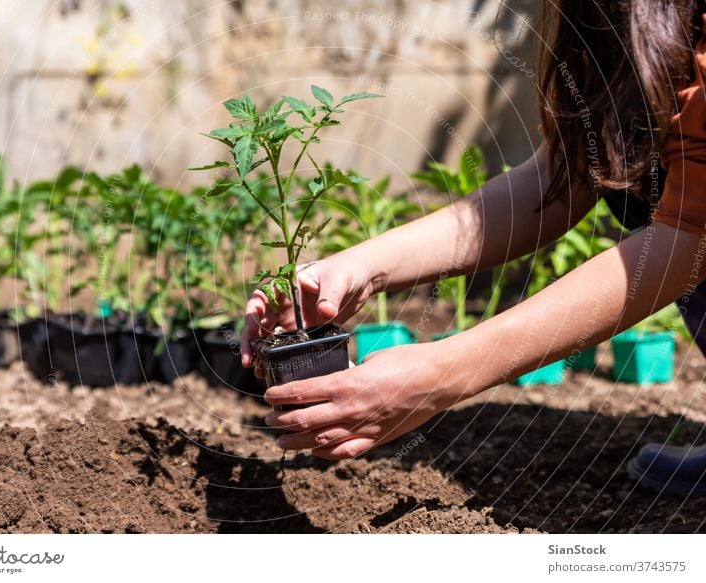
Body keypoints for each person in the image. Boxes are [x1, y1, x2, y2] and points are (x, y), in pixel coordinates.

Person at [240, 1, 706, 494]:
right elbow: (558, 182)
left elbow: (687, 244)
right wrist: (362, 267)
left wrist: (436, 377)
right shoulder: (611, 21)